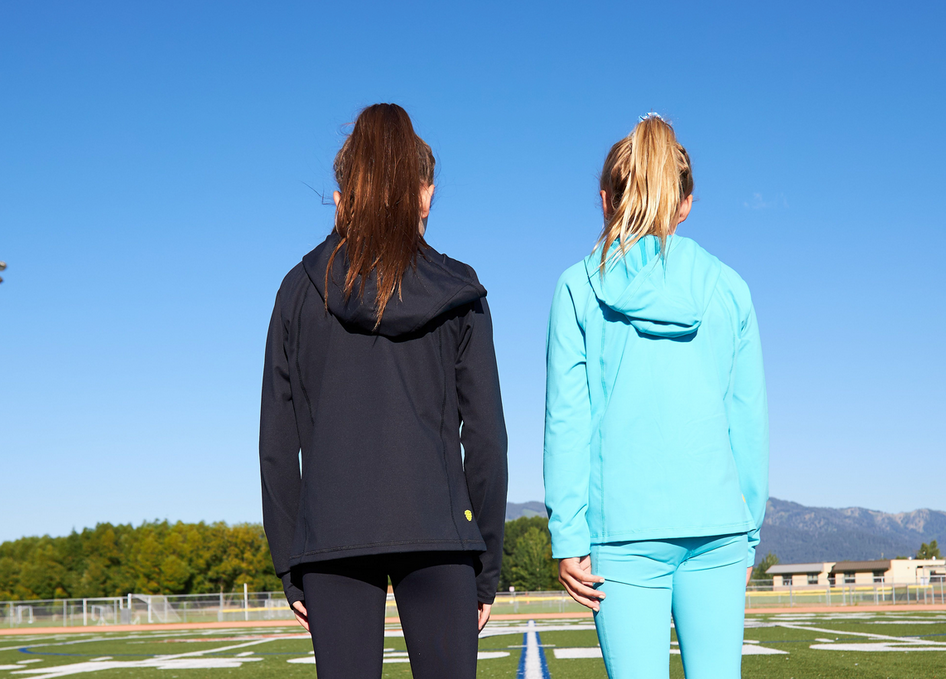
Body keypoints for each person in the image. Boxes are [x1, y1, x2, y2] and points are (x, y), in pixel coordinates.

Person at [259, 103, 508, 679]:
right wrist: (486, 564)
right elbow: (486, 439)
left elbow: (277, 443)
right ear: (425, 195)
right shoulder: (459, 290)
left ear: (344, 195)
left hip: (332, 538)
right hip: (440, 533)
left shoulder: (298, 290)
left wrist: (290, 564)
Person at [543, 114, 768, 678]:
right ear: (685, 204)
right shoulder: (730, 288)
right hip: (719, 527)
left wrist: (568, 534)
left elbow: (567, 420)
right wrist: (749, 533)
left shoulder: (577, 287)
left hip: (622, 532)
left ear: (604, 200)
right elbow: (748, 421)